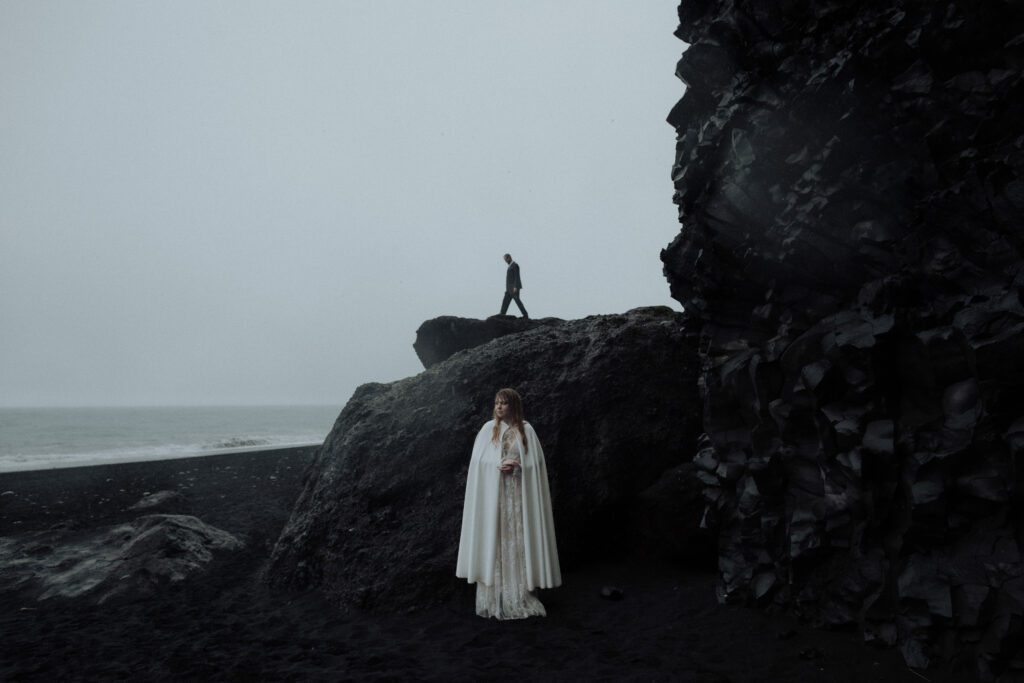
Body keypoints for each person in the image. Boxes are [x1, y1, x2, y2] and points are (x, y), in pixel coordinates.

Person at [456, 388, 561, 619]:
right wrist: (496, 465)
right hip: (494, 498)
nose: (499, 407)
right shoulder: (488, 430)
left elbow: (536, 464)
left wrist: (516, 466)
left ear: (513, 406)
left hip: (516, 496)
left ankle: (518, 594)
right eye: (496, 403)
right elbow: (478, 463)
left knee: (517, 541)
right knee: (496, 543)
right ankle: (495, 598)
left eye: (503, 403)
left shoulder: (527, 430)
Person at [499, 253, 529, 318]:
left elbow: (517, 276)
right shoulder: (510, 266)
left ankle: (525, 315)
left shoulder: (515, 265)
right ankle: (502, 314)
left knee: (518, 301)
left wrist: (516, 286)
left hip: (514, 288)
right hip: (509, 289)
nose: (505, 261)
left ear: (509, 258)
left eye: (506, 260)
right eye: (505, 260)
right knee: (505, 301)